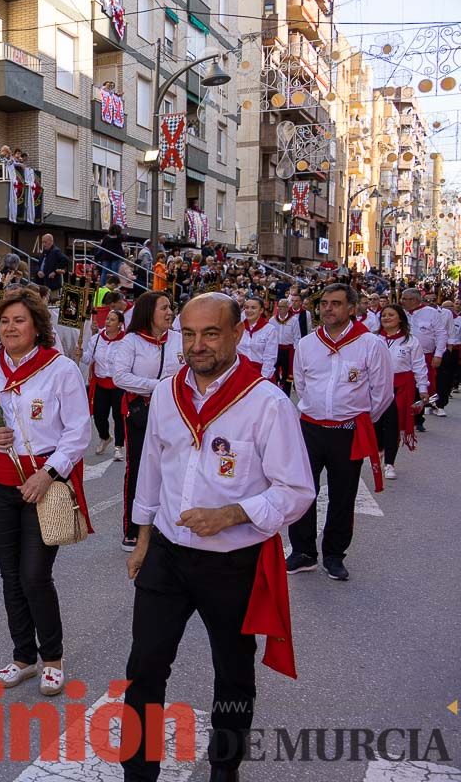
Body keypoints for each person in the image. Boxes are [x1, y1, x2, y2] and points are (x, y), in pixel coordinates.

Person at [122, 292, 315, 782]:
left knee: (232, 672)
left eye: (210, 333)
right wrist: (143, 536)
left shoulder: (267, 402)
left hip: (233, 561)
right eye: (188, 334)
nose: (197, 345)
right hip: (167, 552)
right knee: (145, 666)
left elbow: (297, 490)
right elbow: (151, 466)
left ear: (236, 334)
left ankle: (224, 769)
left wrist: (232, 513)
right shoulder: (167, 392)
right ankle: (138, 773)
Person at [0, 288, 91, 695]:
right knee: (9, 574)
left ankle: (52, 656)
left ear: (37, 326)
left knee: (35, 575)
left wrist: (49, 474)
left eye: (19, 320)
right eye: (5, 321)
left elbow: (78, 432)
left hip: (43, 482)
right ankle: (23, 656)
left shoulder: (60, 369)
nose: (10, 327)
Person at [288, 283, 392, 582]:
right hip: (310, 428)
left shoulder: (370, 344)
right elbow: (302, 385)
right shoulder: (307, 344)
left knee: (343, 496)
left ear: (351, 308)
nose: (328, 308)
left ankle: (334, 555)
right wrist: (318, 410)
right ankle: (303, 551)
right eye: (324, 304)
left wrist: (354, 418)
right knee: (303, 490)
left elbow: (382, 393)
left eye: (335, 303)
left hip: (348, 430)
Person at [113, 291, 183, 551]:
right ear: (148, 312)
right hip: (140, 413)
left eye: (170, 307)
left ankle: (166, 524)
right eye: (164, 308)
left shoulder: (178, 339)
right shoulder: (131, 341)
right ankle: (133, 528)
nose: (169, 312)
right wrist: (157, 386)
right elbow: (119, 376)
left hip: (175, 413)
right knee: (139, 468)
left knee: (173, 467)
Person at [374, 304, 428, 480]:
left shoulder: (411, 341)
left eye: (391, 315)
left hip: (401, 387)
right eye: (384, 315)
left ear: (400, 319)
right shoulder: (373, 339)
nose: (387, 318)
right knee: (376, 424)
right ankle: (380, 448)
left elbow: (419, 365)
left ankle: (390, 463)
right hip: (378, 387)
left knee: (393, 425)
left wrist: (423, 388)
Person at [83, 307, 126, 460]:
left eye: (112, 320)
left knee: (118, 416)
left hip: (119, 384)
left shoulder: (126, 340)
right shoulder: (96, 340)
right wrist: (80, 354)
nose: (108, 322)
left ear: (120, 324)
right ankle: (105, 436)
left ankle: (118, 446)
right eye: (107, 319)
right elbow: (89, 358)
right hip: (101, 383)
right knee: (99, 414)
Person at [400, 287, 447, 420]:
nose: (402, 301)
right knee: (405, 385)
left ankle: (418, 417)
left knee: (423, 384)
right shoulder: (401, 313)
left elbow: (441, 334)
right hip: (404, 355)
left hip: (425, 355)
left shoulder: (431, 313)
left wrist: (438, 354)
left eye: (404, 299)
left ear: (414, 300)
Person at [238, 295, 278, 380]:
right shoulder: (238, 328)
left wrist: (263, 378)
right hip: (240, 373)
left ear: (261, 310)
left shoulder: (270, 329)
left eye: (253, 308)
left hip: (261, 373)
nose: (249, 310)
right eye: (247, 307)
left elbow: (270, 357)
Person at [272, 298, 300, 395]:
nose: (280, 309)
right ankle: (274, 391)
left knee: (287, 373)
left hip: (288, 350)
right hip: (275, 349)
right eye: (279, 306)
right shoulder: (273, 320)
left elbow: (297, 337)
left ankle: (286, 394)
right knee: (273, 370)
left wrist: (296, 352)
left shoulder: (294, 320)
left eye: (283, 307)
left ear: (288, 308)